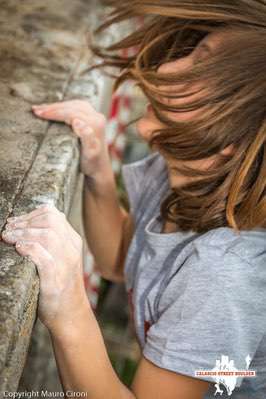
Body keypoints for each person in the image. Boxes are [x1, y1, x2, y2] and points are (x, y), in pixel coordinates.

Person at [1, 1, 266, 398]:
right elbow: (117, 260)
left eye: (201, 67)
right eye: (193, 51)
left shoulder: (223, 276)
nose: (167, 67)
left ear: (233, 136)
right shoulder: (186, 176)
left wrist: (68, 302)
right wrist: (97, 172)